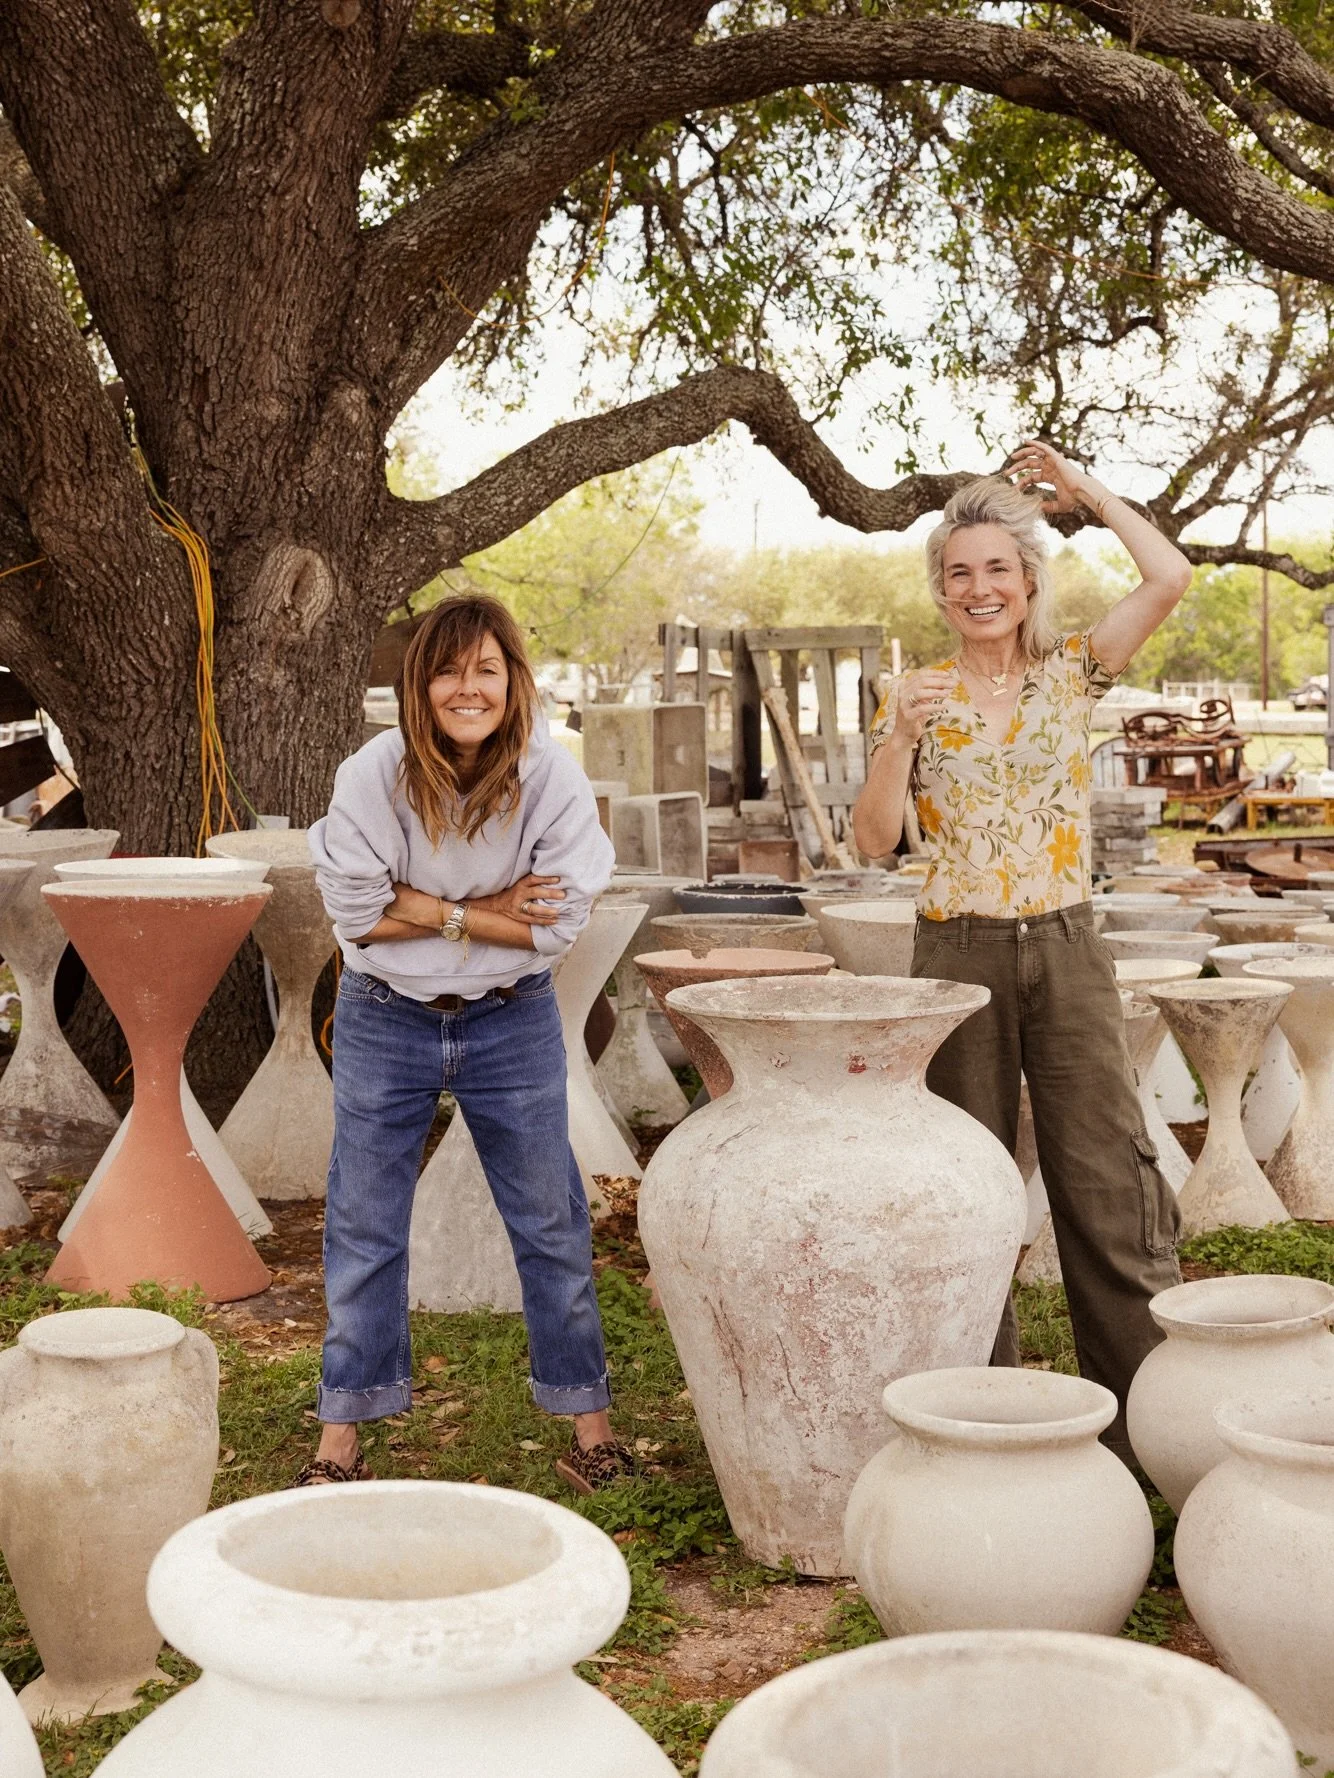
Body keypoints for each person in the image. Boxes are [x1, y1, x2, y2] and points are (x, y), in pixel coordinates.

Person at [853, 442, 1194, 1458]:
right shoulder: (910, 694)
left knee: (1102, 1176)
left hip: (1065, 942)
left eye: (996, 567)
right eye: (957, 572)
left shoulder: (1069, 675)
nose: (977, 586)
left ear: (1027, 579)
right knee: (968, 1188)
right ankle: (979, 1425)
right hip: (955, 953)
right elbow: (873, 842)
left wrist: (1085, 490)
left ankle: (1145, 1438)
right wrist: (894, 742)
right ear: (940, 591)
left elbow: (1168, 575)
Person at [304, 593, 628, 1493]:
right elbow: (358, 918)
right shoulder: (371, 774)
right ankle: (340, 1441)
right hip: (384, 1017)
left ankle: (588, 1425)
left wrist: (421, 910)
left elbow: (556, 931)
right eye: (449, 669)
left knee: (550, 1220)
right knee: (365, 1226)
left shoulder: (550, 777)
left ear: (513, 681)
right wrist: (480, 913)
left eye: (486, 668)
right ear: (421, 682)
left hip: (510, 1019)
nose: (467, 687)